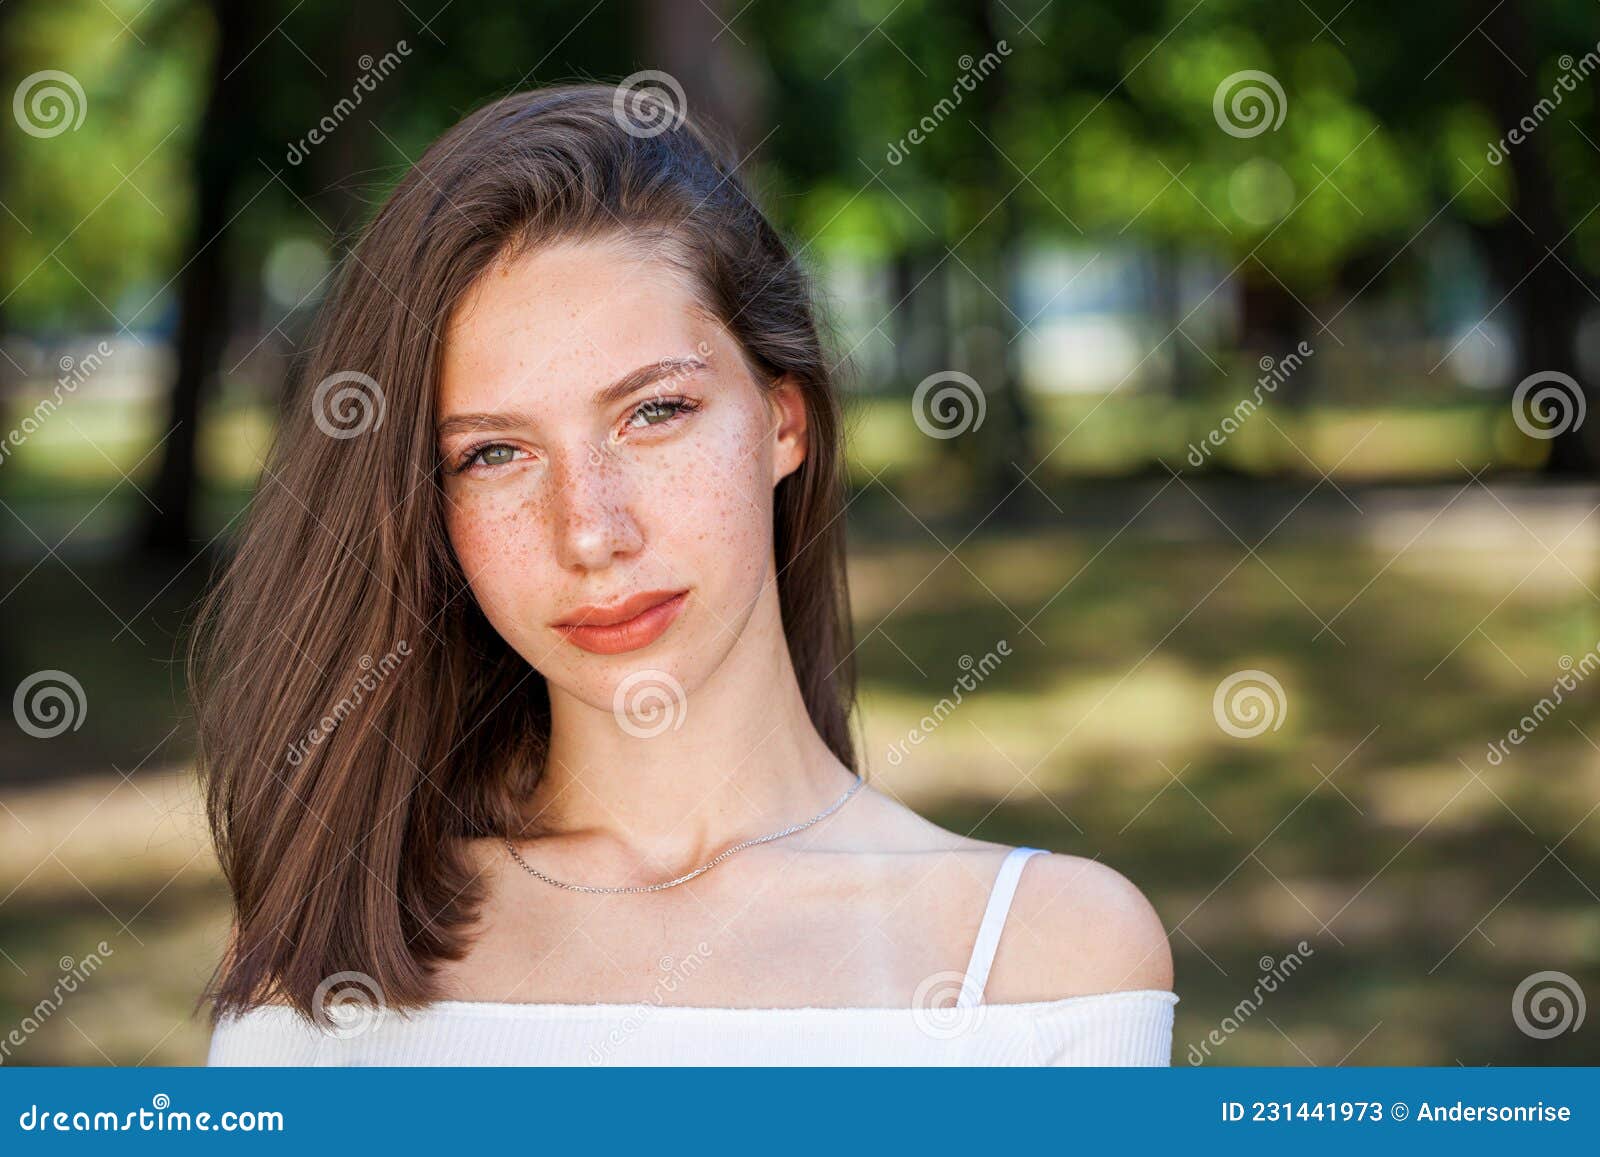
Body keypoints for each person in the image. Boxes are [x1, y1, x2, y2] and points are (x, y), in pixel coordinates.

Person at [197, 83, 1175, 1066]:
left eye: (654, 412)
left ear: (781, 420)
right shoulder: (327, 962)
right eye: (495, 453)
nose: (590, 531)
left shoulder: (1043, 959)